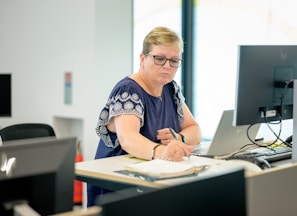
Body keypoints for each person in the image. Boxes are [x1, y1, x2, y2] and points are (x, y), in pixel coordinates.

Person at [87, 26, 202, 206]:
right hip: (116, 188)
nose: (167, 66)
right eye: (159, 58)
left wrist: (178, 138)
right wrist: (163, 152)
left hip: (151, 180)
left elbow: (195, 129)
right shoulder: (128, 90)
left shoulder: (170, 89)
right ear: (142, 58)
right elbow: (128, 139)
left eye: (174, 60)